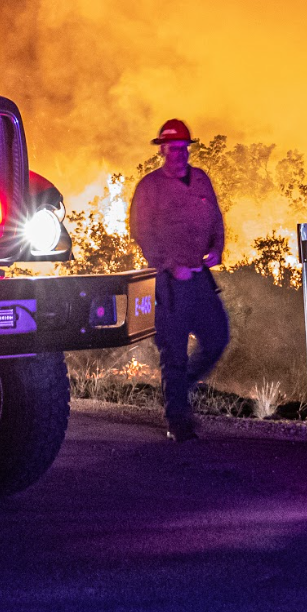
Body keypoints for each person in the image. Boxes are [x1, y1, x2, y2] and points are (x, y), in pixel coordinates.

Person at [127, 118, 229, 441]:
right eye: (172, 150)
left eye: (183, 149)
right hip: (169, 283)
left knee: (217, 337)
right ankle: (178, 422)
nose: (179, 155)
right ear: (162, 151)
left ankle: (179, 388)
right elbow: (141, 232)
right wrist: (169, 265)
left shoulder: (200, 180)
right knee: (174, 352)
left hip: (199, 277)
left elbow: (217, 220)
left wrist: (216, 249)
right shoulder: (150, 187)